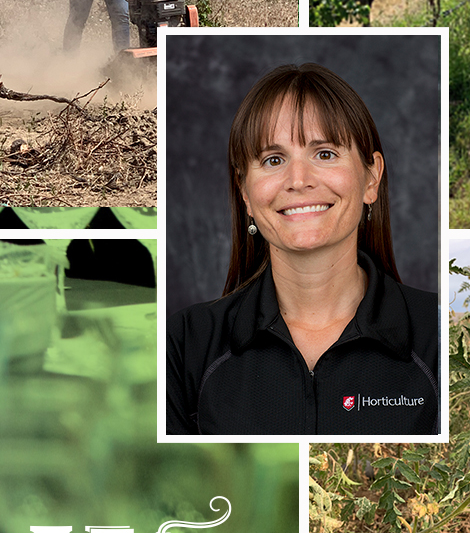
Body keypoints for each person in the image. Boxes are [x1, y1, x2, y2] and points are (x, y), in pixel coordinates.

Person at [166, 63, 439, 435]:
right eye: (273, 160)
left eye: (324, 153)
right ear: (245, 192)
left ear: (371, 177)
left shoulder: (439, 337)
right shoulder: (184, 344)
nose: (298, 180)